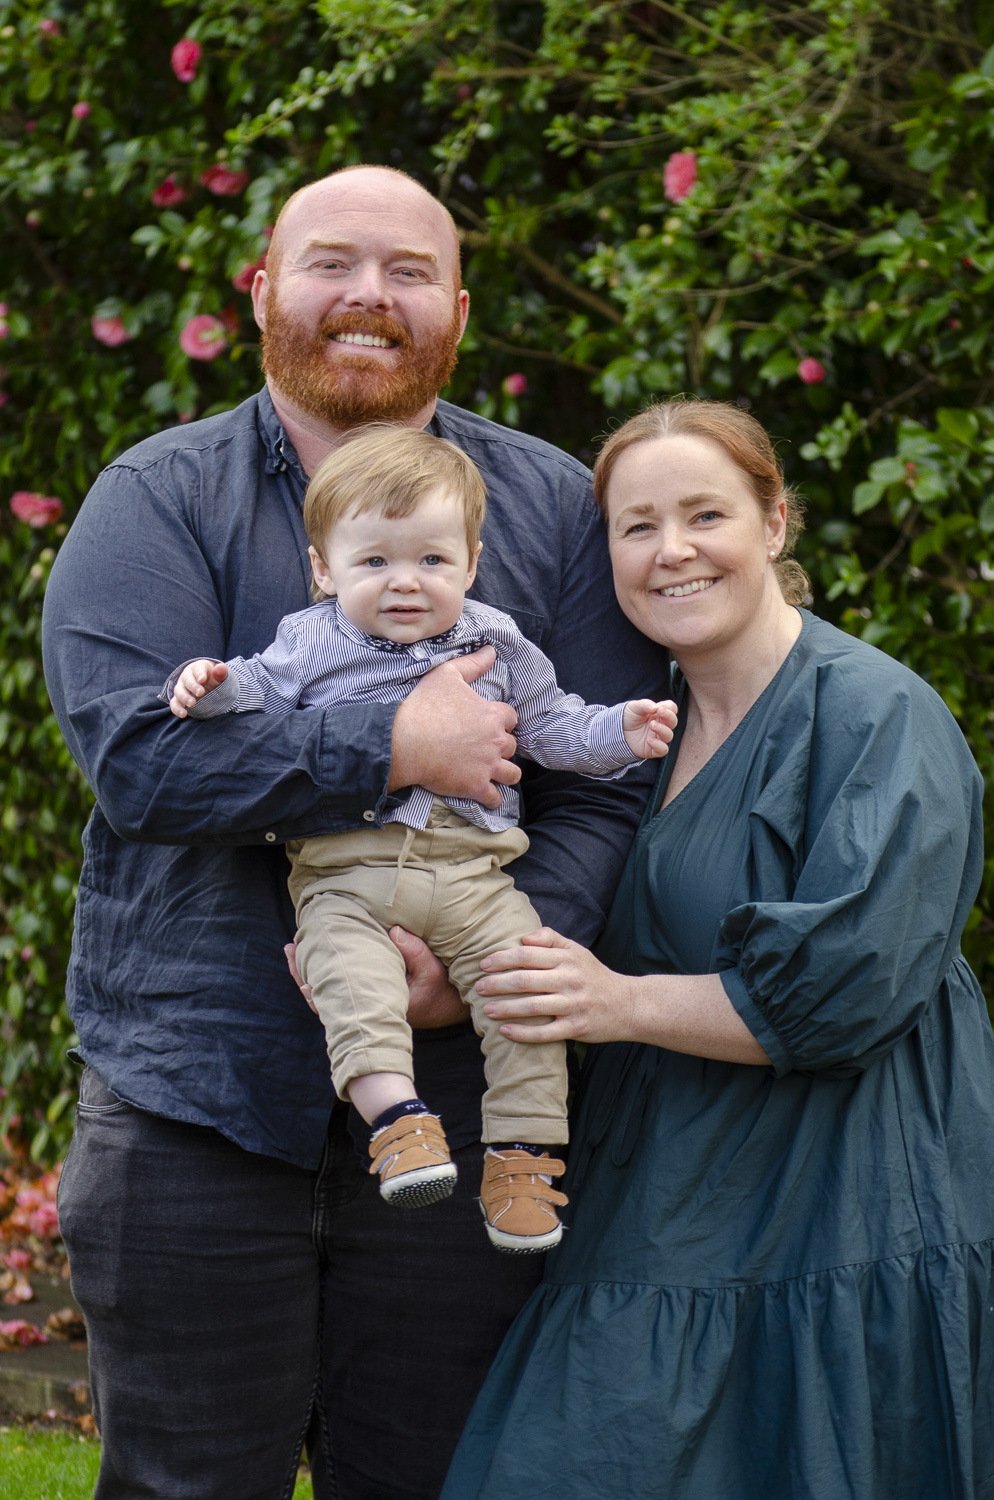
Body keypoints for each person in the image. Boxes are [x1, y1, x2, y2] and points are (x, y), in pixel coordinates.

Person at [41, 165, 666, 1500]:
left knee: (443, 1479)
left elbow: (604, 781)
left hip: (464, 1104)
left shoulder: (552, 508)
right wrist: (388, 744)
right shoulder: (155, 500)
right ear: (262, 287)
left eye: (407, 270)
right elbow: (143, 763)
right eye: (330, 262)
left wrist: (501, 953)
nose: (367, 297)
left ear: (456, 307)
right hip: (197, 1103)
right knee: (185, 1486)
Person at [441, 398, 994, 1500]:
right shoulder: (627, 734)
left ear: (775, 521)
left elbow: (846, 990)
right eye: (636, 526)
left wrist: (614, 1005)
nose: (671, 551)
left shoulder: (875, 714)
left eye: (705, 514)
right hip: (664, 1177)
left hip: (848, 1191)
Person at [164, 423, 676, 1249]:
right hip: (346, 873)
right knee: (346, 975)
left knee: (527, 992)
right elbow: (250, 694)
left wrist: (625, 730)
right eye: (374, 563)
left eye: (432, 561)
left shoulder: (499, 639)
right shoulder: (309, 640)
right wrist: (205, 683)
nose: (405, 583)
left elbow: (553, 728)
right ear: (325, 569)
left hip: (477, 873)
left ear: (471, 563)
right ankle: (398, 1122)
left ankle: (522, 1156)